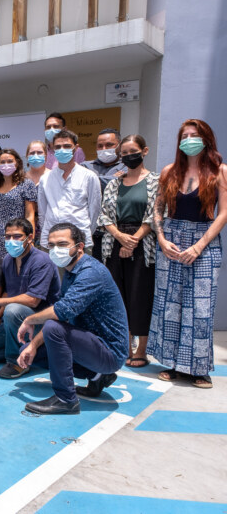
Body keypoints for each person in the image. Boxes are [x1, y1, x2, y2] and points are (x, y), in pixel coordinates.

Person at [15, 223, 129, 415]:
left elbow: (62, 311)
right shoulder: (70, 271)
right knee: (29, 352)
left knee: (52, 328)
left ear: (80, 246)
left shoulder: (90, 272)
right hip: (90, 345)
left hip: (110, 352)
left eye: (62, 244)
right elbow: (62, 316)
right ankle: (97, 376)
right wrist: (33, 345)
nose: (55, 250)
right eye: (51, 245)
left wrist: (29, 320)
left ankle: (65, 399)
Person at [148, 119, 227, 389]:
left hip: (204, 241)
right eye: (185, 136)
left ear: (206, 139)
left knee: (200, 307)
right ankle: (170, 363)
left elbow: (223, 214)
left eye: (194, 135)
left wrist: (199, 245)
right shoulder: (170, 171)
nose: (189, 140)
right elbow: (158, 209)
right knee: (169, 304)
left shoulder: (220, 172)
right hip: (171, 240)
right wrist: (161, 239)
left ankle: (198, 368)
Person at [96, 135, 158, 368]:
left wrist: (132, 241)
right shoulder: (114, 183)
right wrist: (120, 237)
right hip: (113, 242)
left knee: (141, 295)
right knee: (118, 296)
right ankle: (125, 347)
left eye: (133, 151)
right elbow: (104, 215)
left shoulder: (156, 181)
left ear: (144, 151)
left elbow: (155, 214)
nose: (129, 156)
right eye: (124, 153)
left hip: (143, 244)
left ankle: (141, 350)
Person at [0, 219, 62, 375]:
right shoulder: (8, 260)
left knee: (12, 309)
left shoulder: (42, 261)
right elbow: (9, 291)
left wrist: (0, 302)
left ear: (29, 238)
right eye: (8, 237)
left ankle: (17, 362)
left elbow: (33, 300)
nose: (11, 241)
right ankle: (34, 350)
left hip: (43, 320)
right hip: (18, 320)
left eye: (17, 236)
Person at [38, 130, 101, 253]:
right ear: (52, 148)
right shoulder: (45, 179)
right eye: (58, 147)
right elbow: (42, 212)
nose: (62, 150)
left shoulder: (89, 176)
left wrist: (85, 233)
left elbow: (95, 211)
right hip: (51, 241)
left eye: (67, 146)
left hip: (80, 241)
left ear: (76, 148)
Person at [82, 128, 128, 261]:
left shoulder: (127, 165)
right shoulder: (85, 166)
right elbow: (81, 185)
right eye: (100, 146)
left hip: (118, 233)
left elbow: (125, 185)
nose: (104, 149)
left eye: (109, 145)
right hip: (90, 232)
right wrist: (113, 179)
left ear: (119, 145)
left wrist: (93, 180)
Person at [0, 149, 37, 258]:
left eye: (9, 161)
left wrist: (30, 239)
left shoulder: (26, 185)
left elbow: (30, 215)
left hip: (17, 238)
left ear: (17, 163)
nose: (6, 164)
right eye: (2, 162)